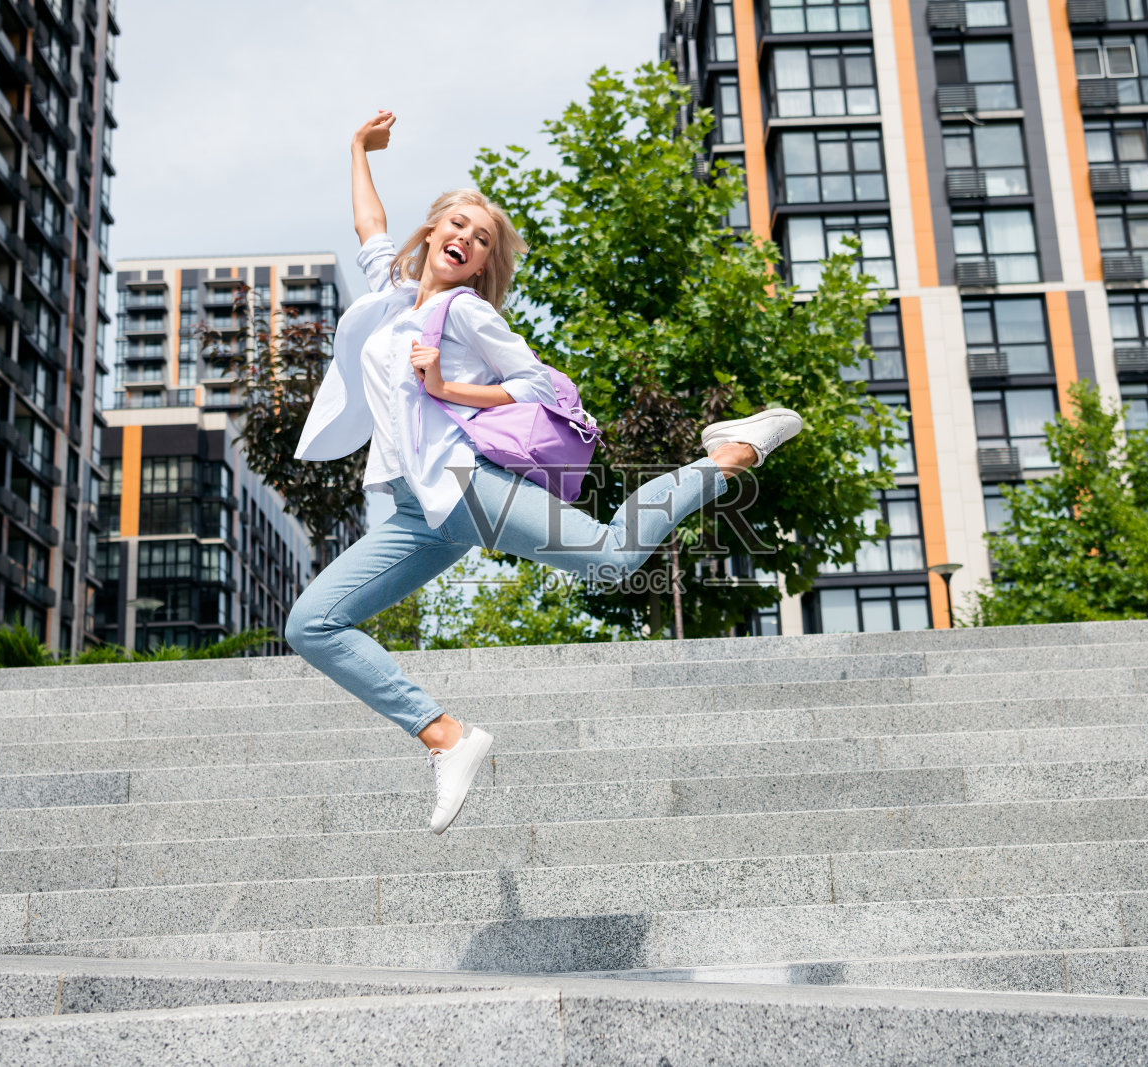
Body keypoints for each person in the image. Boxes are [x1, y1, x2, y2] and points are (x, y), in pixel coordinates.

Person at [285, 110, 804, 835]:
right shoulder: (393, 297)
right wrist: (355, 149)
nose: (466, 237)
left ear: (483, 259)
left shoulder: (466, 314)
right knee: (311, 622)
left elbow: (536, 385)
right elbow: (370, 227)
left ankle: (728, 456)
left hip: (466, 483)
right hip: (410, 509)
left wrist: (445, 388)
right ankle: (446, 736)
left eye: (483, 237)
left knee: (613, 559)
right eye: (457, 224)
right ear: (433, 233)